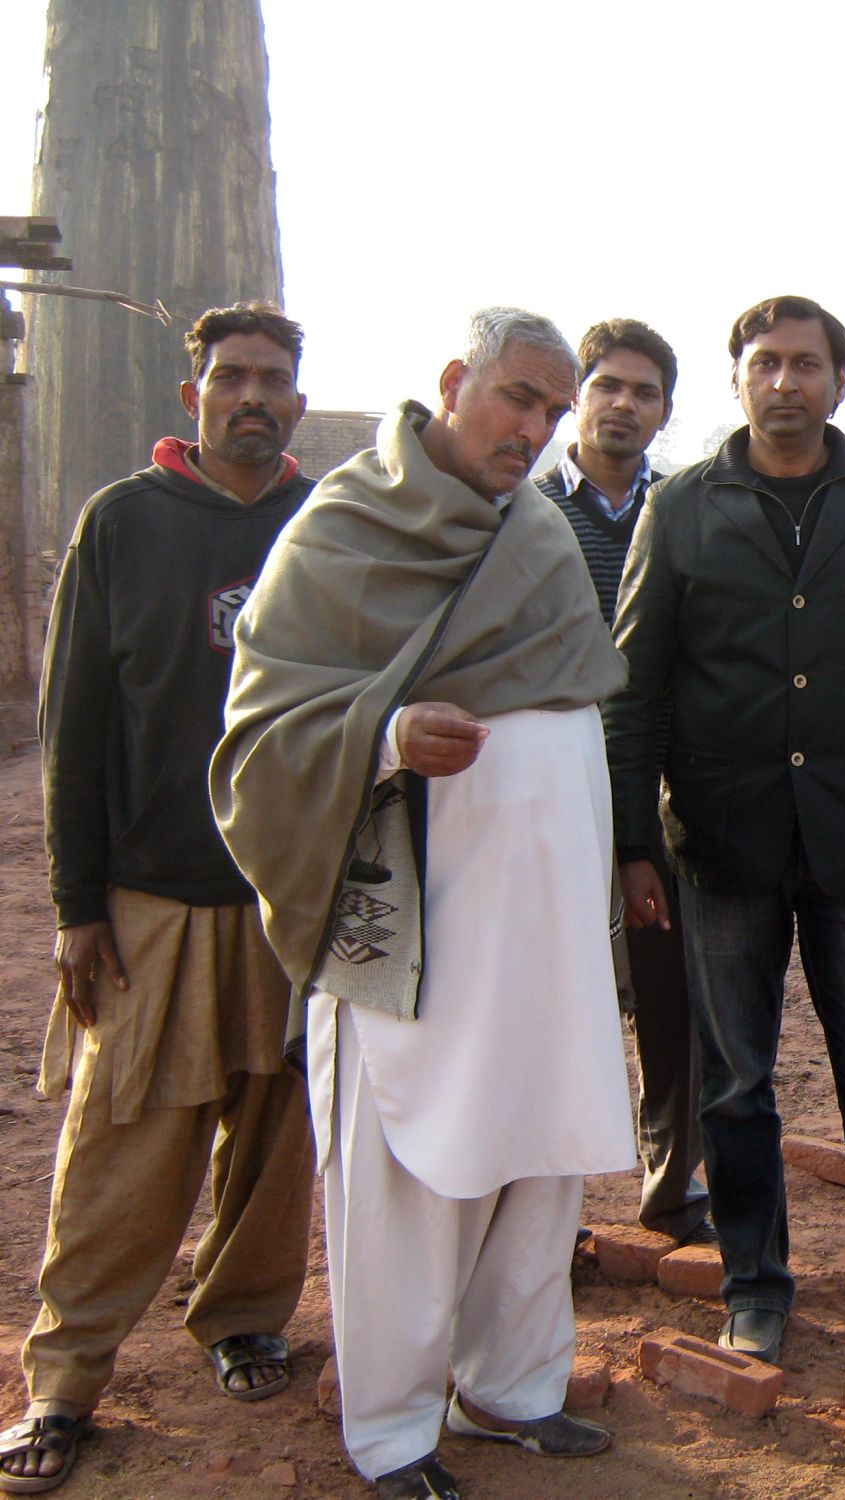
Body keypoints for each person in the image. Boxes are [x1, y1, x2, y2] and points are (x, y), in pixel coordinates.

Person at [212, 308, 634, 1500]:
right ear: (455, 381)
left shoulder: (540, 533)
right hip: (412, 921)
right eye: (517, 398)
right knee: (400, 1168)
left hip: (543, 921)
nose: (536, 429)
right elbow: (260, 731)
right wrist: (385, 735)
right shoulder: (343, 529)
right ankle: (391, 1429)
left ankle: (510, 1386)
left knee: (539, 1146)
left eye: (552, 412)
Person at [604, 294, 845, 1387]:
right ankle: (754, 1291)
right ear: (737, 380)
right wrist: (632, 845)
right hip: (718, 851)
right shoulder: (682, 509)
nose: (786, 381)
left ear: (839, 383)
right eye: (765, 363)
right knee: (735, 1087)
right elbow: (631, 692)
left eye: (807, 365)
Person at [3, 303, 317, 1498]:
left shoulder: (321, 524)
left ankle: (242, 1316)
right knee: (121, 1137)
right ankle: (66, 1374)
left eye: (272, 379)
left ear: (297, 397)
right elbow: (73, 725)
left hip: (292, 894)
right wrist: (77, 903)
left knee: (277, 1123)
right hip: (149, 893)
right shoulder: (123, 523)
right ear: (192, 394)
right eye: (231, 376)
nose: (252, 396)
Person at [535, 317, 713, 1247]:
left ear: (666, 412)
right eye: (608, 385)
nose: (624, 405)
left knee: (674, 998)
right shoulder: (523, 511)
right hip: (550, 790)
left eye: (644, 393)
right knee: (552, 998)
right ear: (578, 393)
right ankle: (541, 1222)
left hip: (661, 787)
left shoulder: (685, 511)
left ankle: (670, 1186)